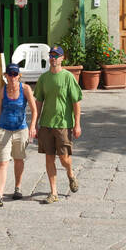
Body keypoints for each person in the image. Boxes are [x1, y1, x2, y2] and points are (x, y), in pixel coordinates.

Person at [0, 64, 38, 207]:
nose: (12, 77)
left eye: (15, 74)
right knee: (3, 162)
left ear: (19, 75)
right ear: (5, 76)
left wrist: (33, 126)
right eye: (10, 74)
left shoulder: (25, 89)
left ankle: (17, 187)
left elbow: (34, 110)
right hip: (3, 130)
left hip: (21, 130)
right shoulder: (1, 92)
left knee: (19, 159)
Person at [33, 46, 82, 203]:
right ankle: (53, 192)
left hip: (63, 123)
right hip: (46, 124)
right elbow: (39, 101)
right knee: (49, 158)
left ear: (62, 58)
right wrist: (34, 123)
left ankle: (70, 173)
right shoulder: (44, 78)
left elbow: (76, 102)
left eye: (56, 55)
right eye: (51, 55)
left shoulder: (68, 77)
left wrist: (77, 124)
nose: (53, 58)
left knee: (63, 158)